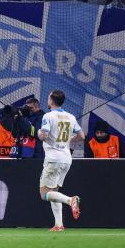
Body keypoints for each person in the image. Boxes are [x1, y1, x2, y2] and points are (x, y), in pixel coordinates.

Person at [37, 90, 84, 232]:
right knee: (54, 192)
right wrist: (69, 140)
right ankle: (59, 225)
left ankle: (71, 200)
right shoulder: (71, 117)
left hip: (53, 158)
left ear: (51, 100)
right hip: (66, 158)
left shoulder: (48, 116)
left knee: (44, 194)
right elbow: (82, 135)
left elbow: (43, 135)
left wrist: (39, 133)